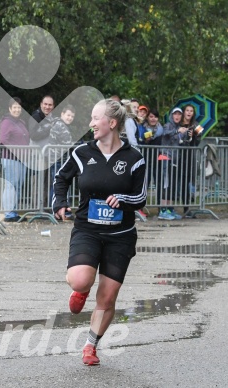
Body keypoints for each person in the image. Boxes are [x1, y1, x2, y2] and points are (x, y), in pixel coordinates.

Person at [53, 99, 146, 366]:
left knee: (107, 296)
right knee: (80, 280)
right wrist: (60, 203)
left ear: (112, 123)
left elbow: (140, 196)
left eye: (96, 119)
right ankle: (81, 290)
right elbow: (61, 178)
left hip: (121, 235)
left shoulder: (134, 158)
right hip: (88, 230)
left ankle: (90, 345)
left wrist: (123, 199)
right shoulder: (82, 152)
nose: (91, 123)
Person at [157, 107, 190, 220]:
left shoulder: (180, 127)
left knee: (172, 185)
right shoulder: (167, 125)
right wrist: (177, 131)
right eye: (175, 114)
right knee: (166, 184)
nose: (177, 116)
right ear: (172, 115)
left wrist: (187, 134)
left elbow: (183, 142)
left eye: (179, 114)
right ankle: (163, 210)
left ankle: (170, 209)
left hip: (175, 160)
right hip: (166, 157)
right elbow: (166, 134)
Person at [0, 97, 29, 223]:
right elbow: (3, 139)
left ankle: (14, 211)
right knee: (10, 185)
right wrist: (16, 150)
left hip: (21, 160)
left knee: (18, 185)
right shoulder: (6, 122)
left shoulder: (21, 122)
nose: (17, 109)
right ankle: (8, 212)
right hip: (10, 158)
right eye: (14, 107)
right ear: (10, 109)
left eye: (18, 107)